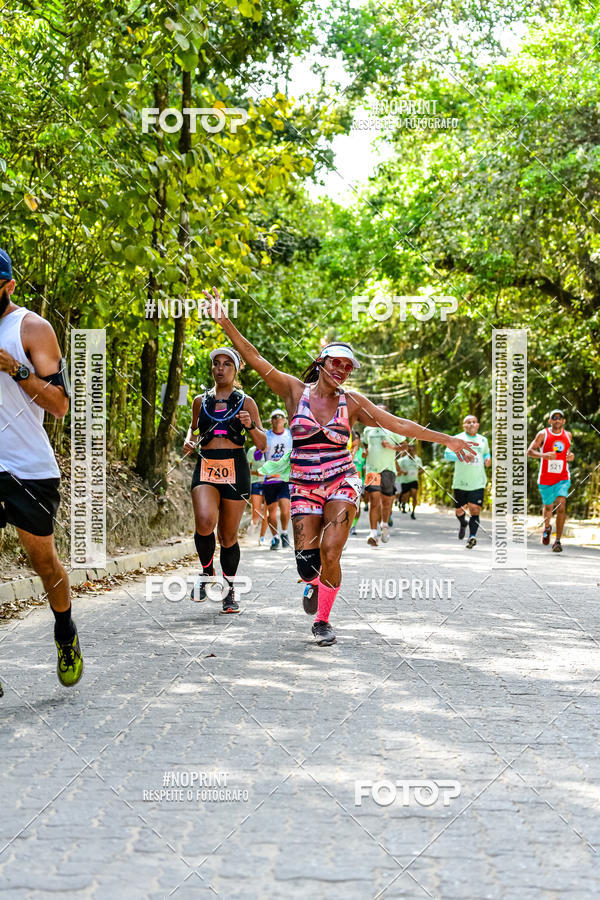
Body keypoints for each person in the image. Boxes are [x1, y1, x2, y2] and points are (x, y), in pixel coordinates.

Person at [204, 288, 477, 646]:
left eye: (348, 367)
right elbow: (254, 357)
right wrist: (225, 322)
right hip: (303, 484)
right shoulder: (293, 391)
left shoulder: (353, 402)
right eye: (337, 363)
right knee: (307, 563)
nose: (343, 371)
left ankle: (323, 621)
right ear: (321, 362)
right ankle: (313, 582)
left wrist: (448, 440)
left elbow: (398, 424)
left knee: (331, 551)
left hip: (341, 481)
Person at [0, 249, 82, 695]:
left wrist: (16, 369)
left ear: (9, 286)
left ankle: (65, 631)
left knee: (44, 563)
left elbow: (60, 405)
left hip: (28, 467)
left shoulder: (32, 328)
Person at [184, 347, 266, 613]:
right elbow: (193, 430)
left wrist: (250, 426)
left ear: (237, 369)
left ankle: (229, 590)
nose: (220, 368)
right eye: (216, 364)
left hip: (235, 466)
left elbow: (262, 443)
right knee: (205, 521)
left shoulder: (246, 402)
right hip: (207, 464)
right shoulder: (200, 401)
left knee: (228, 536)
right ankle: (207, 571)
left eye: (227, 364)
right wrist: (190, 440)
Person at [527, 409, 574, 553]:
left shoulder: (568, 435)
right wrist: (543, 455)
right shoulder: (543, 434)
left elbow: (567, 452)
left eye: (560, 418)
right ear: (550, 421)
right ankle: (547, 527)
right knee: (548, 507)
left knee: (561, 505)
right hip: (545, 478)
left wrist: (570, 456)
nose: (557, 420)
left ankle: (557, 541)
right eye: (554, 417)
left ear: (564, 421)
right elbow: (529, 451)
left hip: (562, 477)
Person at [444, 414, 491, 549]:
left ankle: (472, 537)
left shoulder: (483, 440)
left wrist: (488, 458)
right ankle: (463, 523)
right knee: (459, 511)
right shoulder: (457, 438)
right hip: (461, 482)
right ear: (463, 425)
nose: (471, 424)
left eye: (474, 422)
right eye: (468, 422)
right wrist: (463, 456)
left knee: (475, 509)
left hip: (478, 481)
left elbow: (486, 453)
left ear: (478, 425)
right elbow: (447, 455)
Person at [362, 408, 406, 546]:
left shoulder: (393, 428)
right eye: (377, 411)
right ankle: (373, 534)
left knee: (386, 502)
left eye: (383, 412)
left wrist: (392, 447)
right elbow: (366, 445)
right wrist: (365, 452)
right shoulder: (367, 430)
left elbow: (405, 446)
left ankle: (384, 525)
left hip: (388, 470)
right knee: (374, 501)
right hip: (372, 470)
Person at [262, 409, 293, 550]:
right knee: (271, 512)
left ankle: (284, 533)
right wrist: (260, 450)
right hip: (270, 478)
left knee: (285, 508)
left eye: (280, 417)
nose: (277, 419)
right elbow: (258, 454)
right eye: (274, 417)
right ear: (271, 420)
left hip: (285, 478)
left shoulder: (290, 435)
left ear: (285, 420)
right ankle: (275, 537)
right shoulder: (266, 435)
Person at [246, 442, 268, 544]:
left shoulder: (272, 450)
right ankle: (253, 524)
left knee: (267, 514)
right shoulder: (252, 450)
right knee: (256, 513)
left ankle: (262, 538)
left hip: (269, 483)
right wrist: (257, 473)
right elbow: (246, 470)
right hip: (255, 483)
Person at [397, 444, 423, 519]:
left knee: (414, 495)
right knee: (405, 496)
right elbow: (397, 468)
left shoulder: (418, 460)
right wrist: (403, 472)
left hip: (414, 480)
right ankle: (403, 504)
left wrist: (419, 472)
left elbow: (421, 469)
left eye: (413, 450)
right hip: (405, 481)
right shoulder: (403, 460)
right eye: (409, 450)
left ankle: (413, 512)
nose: (411, 452)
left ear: (415, 451)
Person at [349, 428, 366, 535]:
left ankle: (353, 526)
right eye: (353, 439)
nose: (355, 440)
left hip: (359, 482)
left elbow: (366, 468)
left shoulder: (363, 453)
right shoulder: (345, 451)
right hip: (345, 482)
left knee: (357, 507)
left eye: (357, 438)